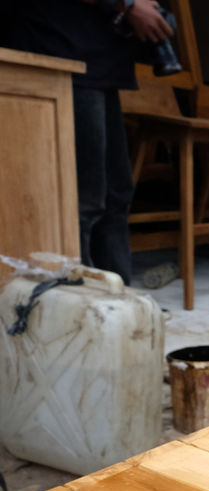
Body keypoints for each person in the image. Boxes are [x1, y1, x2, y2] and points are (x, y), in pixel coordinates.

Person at [1, 0, 174, 285]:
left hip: (97, 62)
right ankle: (80, 302)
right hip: (58, 52)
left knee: (115, 195)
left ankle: (119, 301)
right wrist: (128, 5)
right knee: (81, 199)